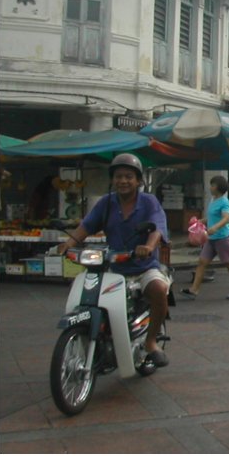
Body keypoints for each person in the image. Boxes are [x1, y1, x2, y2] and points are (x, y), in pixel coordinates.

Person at [55, 153, 171, 368]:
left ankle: (151, 341)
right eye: (118, 176)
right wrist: (68, 244)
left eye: (128, 176)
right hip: (114, 268)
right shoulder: (106, 203)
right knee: (85, 293)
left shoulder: (148, 202)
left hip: (143, 267)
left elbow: (156, 227)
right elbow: (87, 226)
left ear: (138, 181)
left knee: (158, 289)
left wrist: (148, 246)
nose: (123, 181)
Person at [181, 175, 229, 301]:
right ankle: (194, 290)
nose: (210, 187)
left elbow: (226, 218)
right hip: (210, 239)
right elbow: (211, 218)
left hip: (223, 238)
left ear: (218, 187)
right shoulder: (213, 200)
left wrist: (215, 228)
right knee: (202, 262)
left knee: (228, 263)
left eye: (212, 185)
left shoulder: (224, 201)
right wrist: (200, 221)